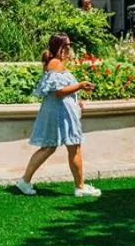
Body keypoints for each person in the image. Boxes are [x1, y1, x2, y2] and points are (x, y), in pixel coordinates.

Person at [14, 33, 100, 199]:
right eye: (67, 45)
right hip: (61, 113)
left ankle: (24, 181)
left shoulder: (55, 63)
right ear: (60, 47)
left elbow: (60, 90)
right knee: (73, 146)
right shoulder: (56, 64)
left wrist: (76, 99)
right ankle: (80, 187)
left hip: (59, 110)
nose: (70, 48)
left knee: (50, 147)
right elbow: (59, 92)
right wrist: (81, 85)